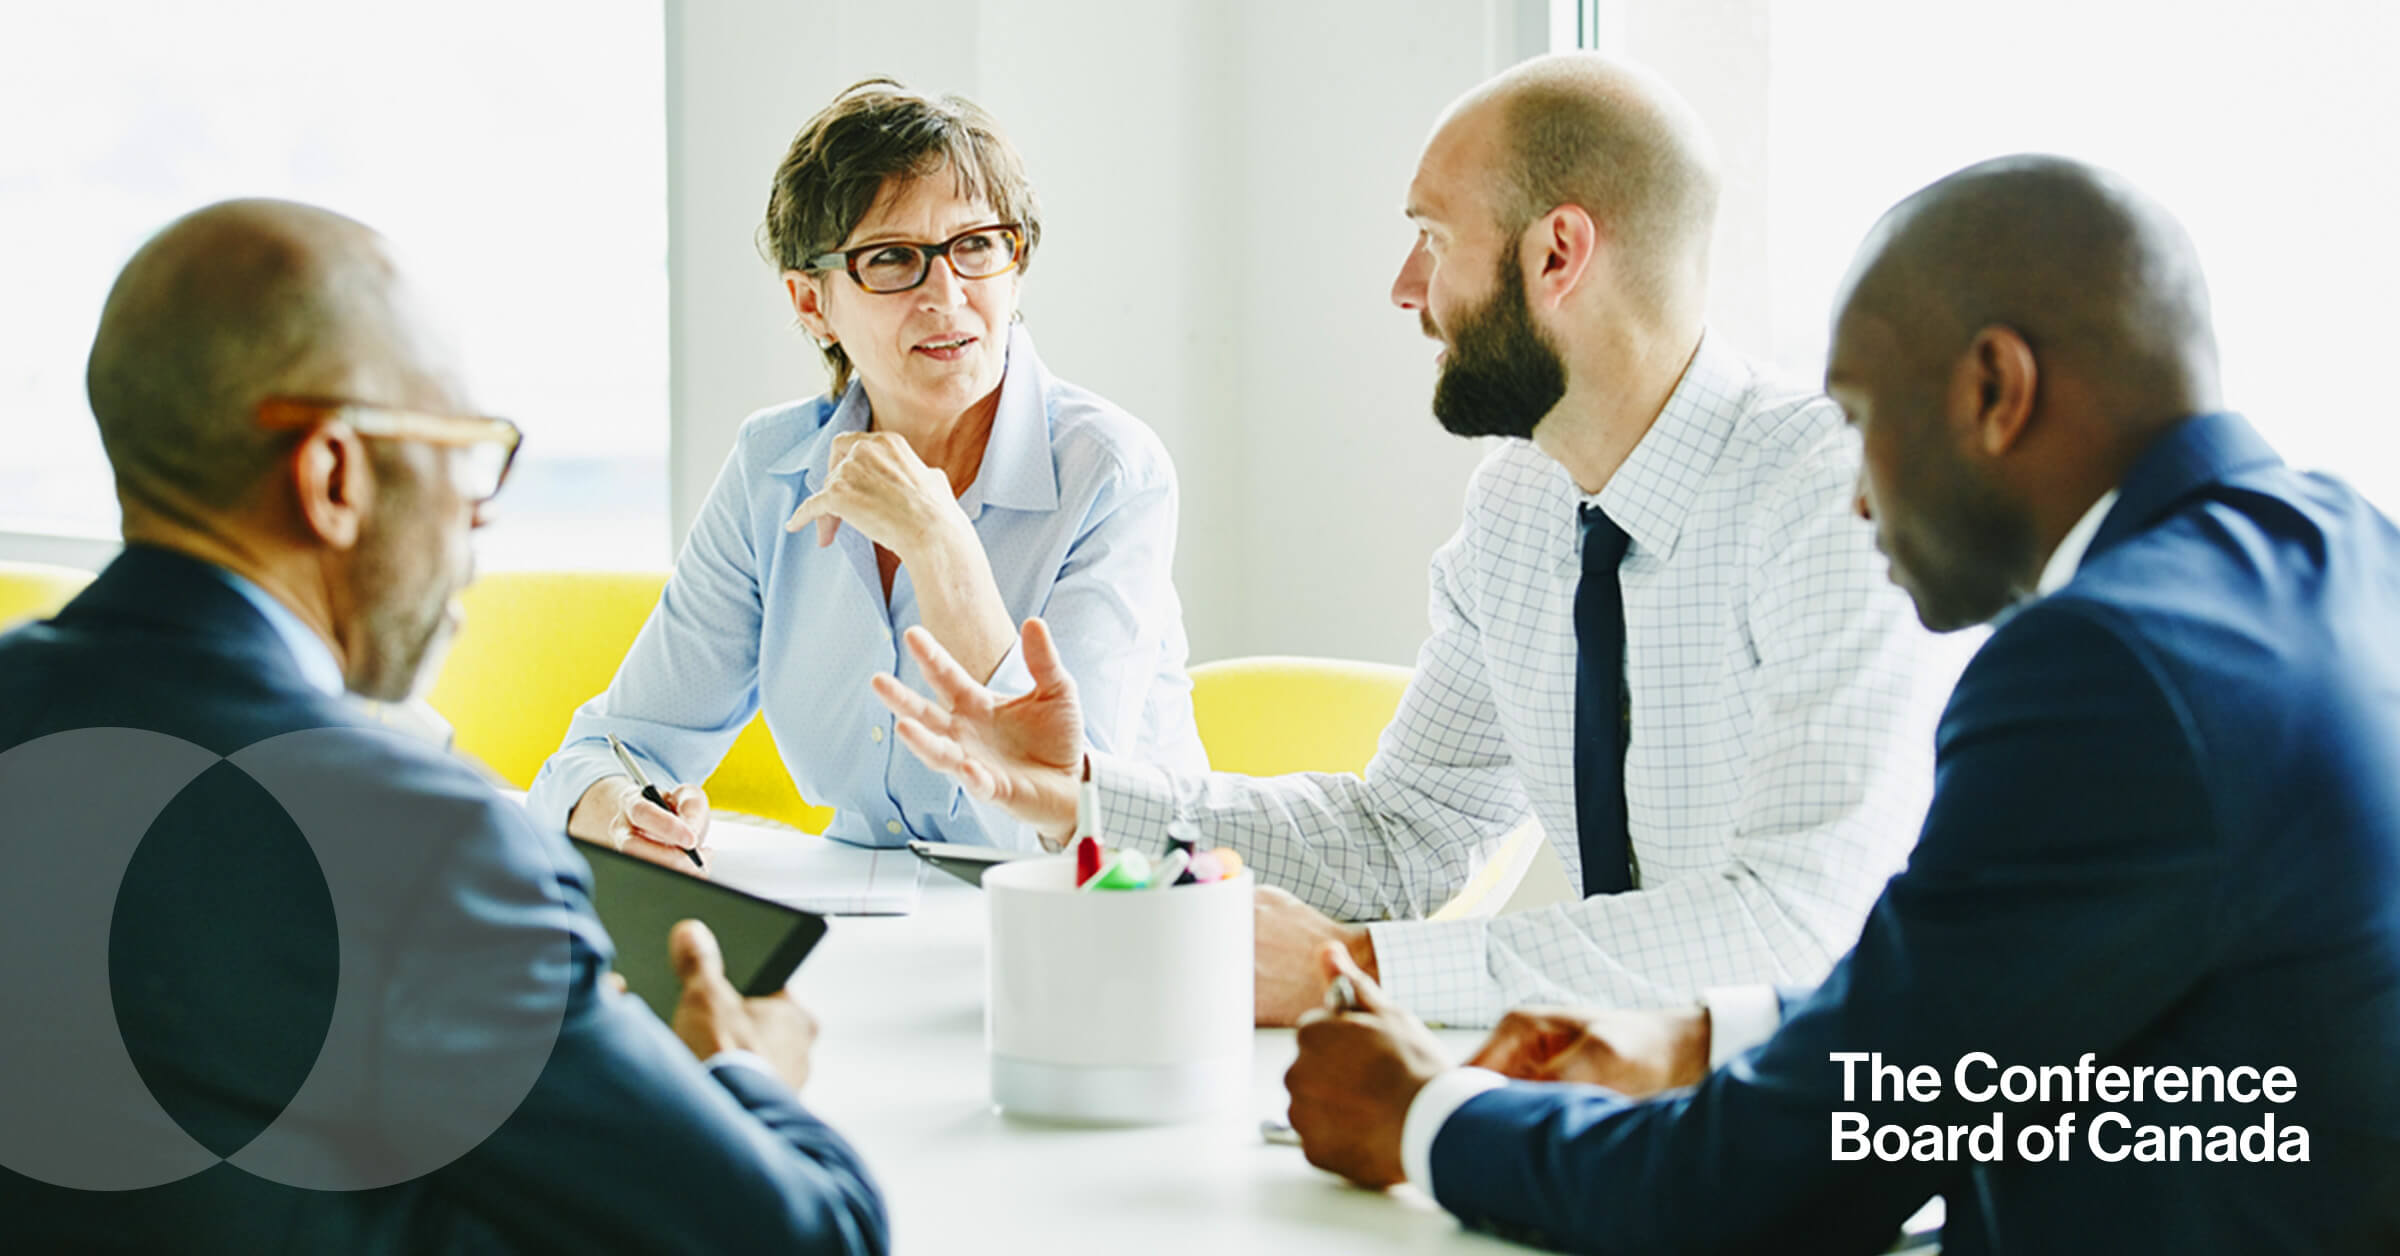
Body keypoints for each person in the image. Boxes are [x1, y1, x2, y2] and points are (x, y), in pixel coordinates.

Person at [1279, 155, 2400, 1253]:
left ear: (1994, 390)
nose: (1858, 491)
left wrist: (1427, 1115)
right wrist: (1708, 1035)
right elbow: (2019, 1003)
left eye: (1864, 418)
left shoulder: (2105, 666)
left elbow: (1784, 1186)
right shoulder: (2348, 551)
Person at [870, 53, 1944, 1027]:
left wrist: (1362, 967)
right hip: (1639, 1107)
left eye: (1432, 238)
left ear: (1558, 253)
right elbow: (1402, 835)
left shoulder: (1831, 499)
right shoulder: (1521, 505)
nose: (1404, 287)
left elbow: (1804, 924)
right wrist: (1087, 794)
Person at [0, 199, 887, 1252]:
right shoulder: (417, 844)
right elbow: (811, 1236)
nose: (481, 510)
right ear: (334, 475)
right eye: (466, 450)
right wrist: (743, 1071)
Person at [525, 79, 1203, 867]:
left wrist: (938, 542)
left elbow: (1073, 819)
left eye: (977, 245)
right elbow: (618, 743)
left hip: (1097, 930)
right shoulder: (772, 467)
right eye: (892, 260)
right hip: (861, 923)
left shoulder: (1110, 472)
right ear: (811, 302)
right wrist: (615, 808)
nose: (947, 295)